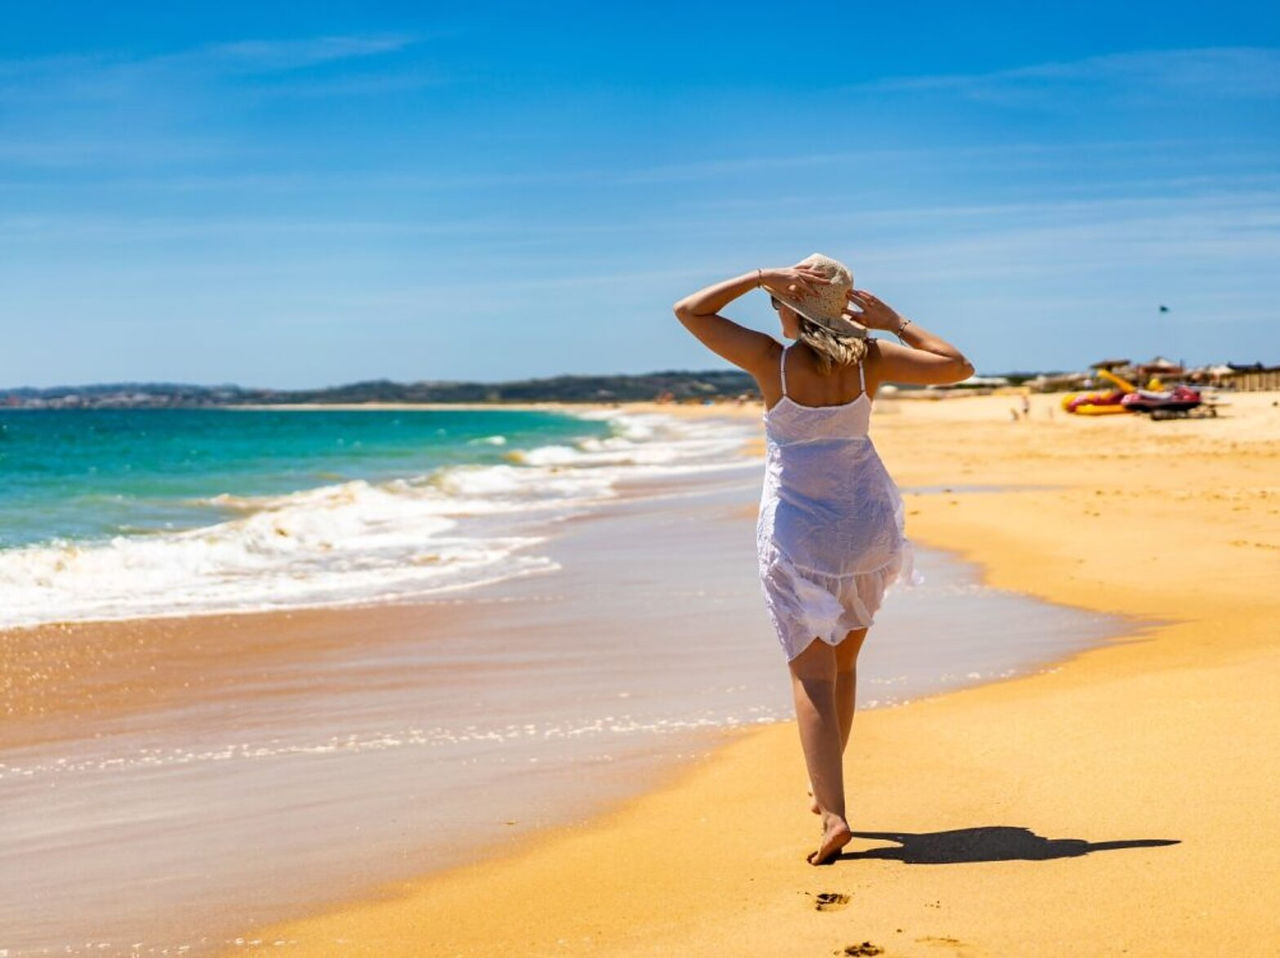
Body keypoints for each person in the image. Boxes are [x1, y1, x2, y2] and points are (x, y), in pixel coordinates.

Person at [672, 254, 973, 865]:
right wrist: (894, 320)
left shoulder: (771, 360)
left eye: (778, 300)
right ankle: (825, 787)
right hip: (865, 522)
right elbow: (957, 367)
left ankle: (834, 814)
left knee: (811, 672)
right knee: (843, 665)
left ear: (788, 307)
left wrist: (759, 275)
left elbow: (690, 310)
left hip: (801, 528)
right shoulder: (874, 358)